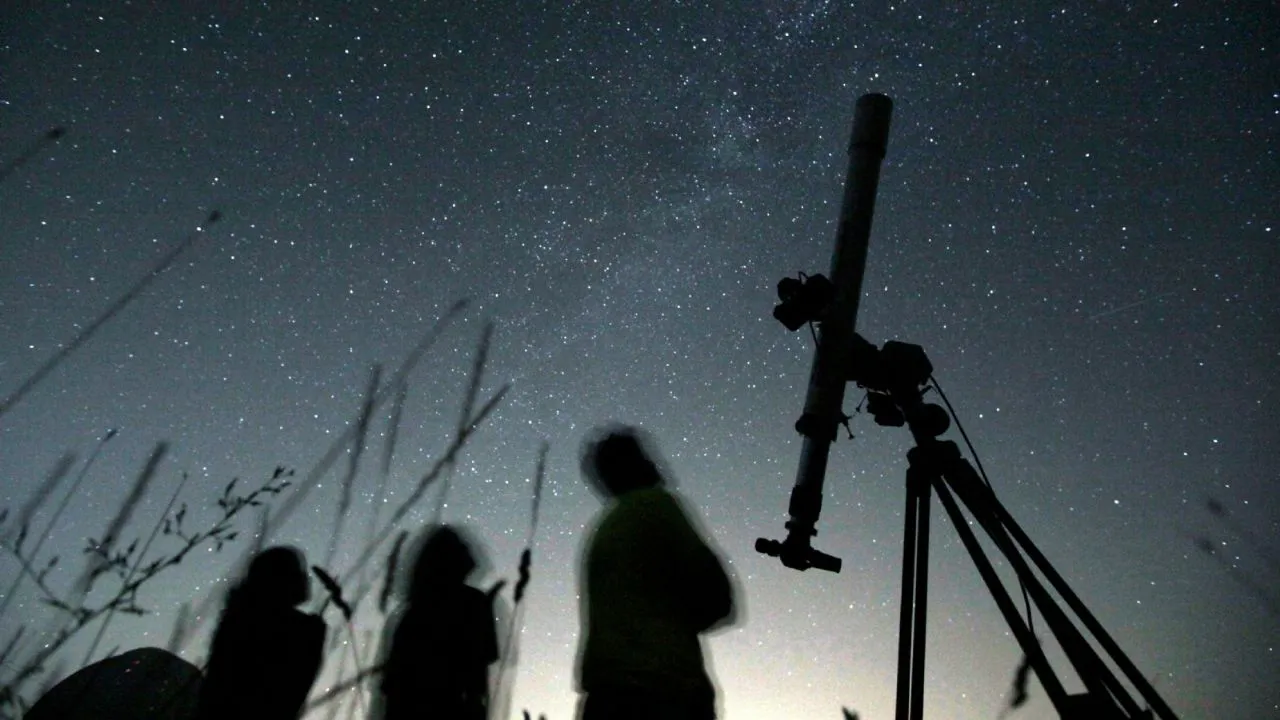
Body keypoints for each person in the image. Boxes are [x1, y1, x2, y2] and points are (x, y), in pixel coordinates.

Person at [575, 425, 738, 720]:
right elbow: (717, 596)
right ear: (637, 462)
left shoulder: (602, 532)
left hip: (605, 697)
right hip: (665, 690)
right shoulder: (658, 506)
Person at [378, 524, 499, 720]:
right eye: (462, 546)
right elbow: (481, 666)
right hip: (455, 709)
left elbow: (393, 686)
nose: (469, 550)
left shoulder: (413, 613)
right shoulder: (473, 602)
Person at [195, 545, 326, 720]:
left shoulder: (240, 618)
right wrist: (312, 640)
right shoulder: (282, 626)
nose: (306, 579)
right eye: (298, 573)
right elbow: (286, 696)